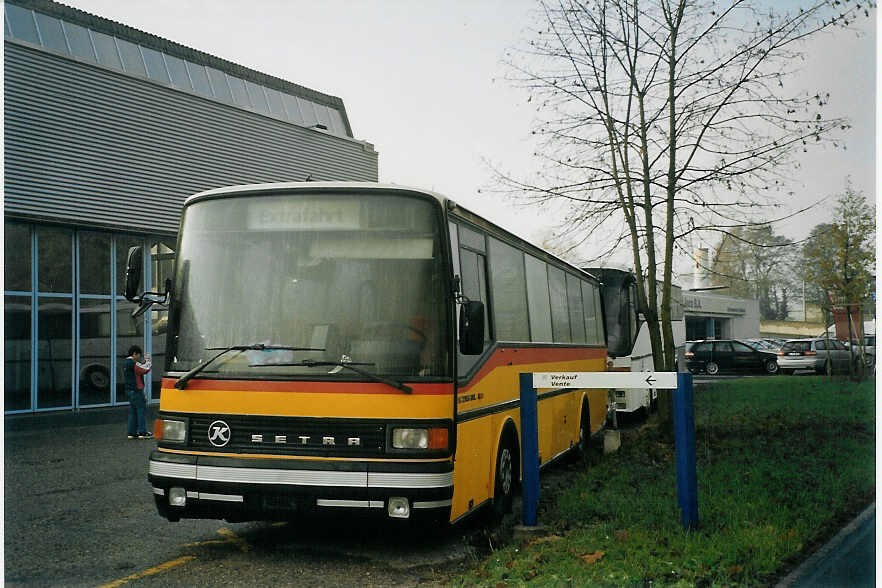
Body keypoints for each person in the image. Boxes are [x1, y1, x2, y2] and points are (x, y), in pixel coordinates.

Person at [123, 345, 152, 439]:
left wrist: (143, 362)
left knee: (133, 412)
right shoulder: (132, 363)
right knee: (141, 411)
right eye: (139, 356)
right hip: (136, 390)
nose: (139, 358)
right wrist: (148, 361)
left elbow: (139, 367)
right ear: (134, 354)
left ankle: (131, 432)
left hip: (129, 390)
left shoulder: (125, 363)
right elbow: (145, 370)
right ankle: (142, 432)